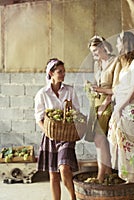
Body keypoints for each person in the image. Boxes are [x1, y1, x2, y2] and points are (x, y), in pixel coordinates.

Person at [34, 58, 79, 200]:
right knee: (53, 174)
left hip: (67, 135)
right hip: (50, 136)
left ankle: (73, 197)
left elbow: (76, 112)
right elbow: (39, 117)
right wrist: (47, 131)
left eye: (64, 71)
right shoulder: (42, 93)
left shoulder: (70, 91)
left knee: (64, 168)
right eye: (60, 72)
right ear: (51, 73)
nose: (63, 74)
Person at [107, 31, 134, 183]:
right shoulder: (125, 63)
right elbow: (122, 88)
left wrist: (120, 107)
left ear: (126, 44)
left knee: (131, 146)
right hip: (123, 107)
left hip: (131, 110)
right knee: (120, 143)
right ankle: (125, 177)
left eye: (119, 41)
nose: (117, 44)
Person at [85, 35, 120, 181]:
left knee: (101, 138)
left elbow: (117, 88)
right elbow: (98, 84)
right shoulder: (97, 64)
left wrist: (104, 103)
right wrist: (91, 87)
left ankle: (102, 174)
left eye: (95, 51)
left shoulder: (116, 62)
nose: (93, 55)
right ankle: (107, 172)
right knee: (99, 140)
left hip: (110, 103)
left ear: (103, 47)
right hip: (97, 103)